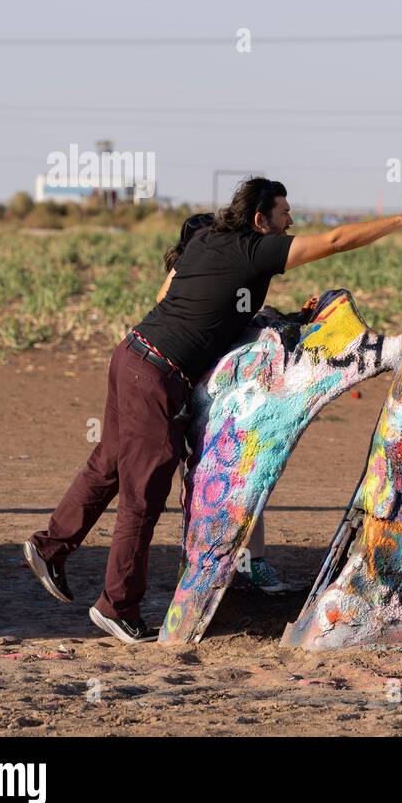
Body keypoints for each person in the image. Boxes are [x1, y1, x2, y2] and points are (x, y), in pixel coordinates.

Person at [23, 177, 402, 643]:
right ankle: (116, 605)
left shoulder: (208, 238)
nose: (290, 222)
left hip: (132, 353)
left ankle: (51, 548)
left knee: (108, 463)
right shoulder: (254, 249)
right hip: (159, 374)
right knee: (145, 492)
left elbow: (170, 297)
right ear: (260, 219)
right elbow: (336, 240)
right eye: (284, 214)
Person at [157, 212, 305, 596]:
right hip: (196, 394)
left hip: (223, 399)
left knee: (235, 475)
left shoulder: (215, 279)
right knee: (215, 478)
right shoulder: (187, 282)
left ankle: (241, 563)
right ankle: (221, 563)